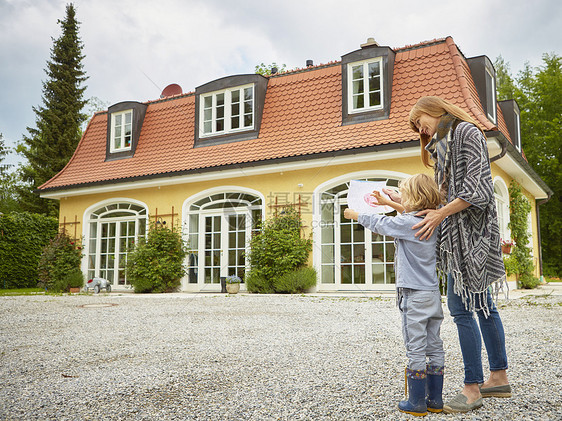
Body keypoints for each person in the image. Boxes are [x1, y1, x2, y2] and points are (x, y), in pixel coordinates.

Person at [398, 96, 511, 414]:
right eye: (416, 126)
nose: (419, 128)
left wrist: (439, 213)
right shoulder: (444, 144)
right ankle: (498, 377)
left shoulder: (467, 133)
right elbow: (442, 196)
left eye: (419, 120)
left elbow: (479, 190)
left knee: (462, 310)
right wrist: (399, 205)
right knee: (484, 307)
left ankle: (472, 388)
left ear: (435, 110)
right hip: (459, 240)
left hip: (470, 242)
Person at [344, 173, 445, 417]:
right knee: (435, 345)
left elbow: (382, 224)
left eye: (404, 195)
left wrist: (356, 215)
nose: (401, 199)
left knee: (415, 348)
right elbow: (405, 215)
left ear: (414, 198)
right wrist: (390, 202)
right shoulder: (430, 219)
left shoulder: (407, 222)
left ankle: (417, 403)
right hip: (432, 294)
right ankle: (435, 400)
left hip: (413, 294)